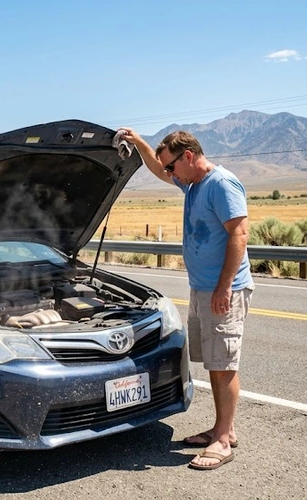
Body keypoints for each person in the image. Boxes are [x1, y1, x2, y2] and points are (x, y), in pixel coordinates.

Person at [119, 128, 254, 470]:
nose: (168, 174)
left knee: (224, 365)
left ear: (188, 157)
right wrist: (138, 142)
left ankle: (222, 441)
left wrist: (224, 287)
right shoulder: (192, 184)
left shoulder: (221, 184)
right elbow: (154, 166)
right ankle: (224, 429)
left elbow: (239, 232)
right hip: (203, 288)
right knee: (213, 362)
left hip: (225, 290)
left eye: (171, 168)